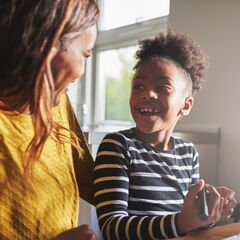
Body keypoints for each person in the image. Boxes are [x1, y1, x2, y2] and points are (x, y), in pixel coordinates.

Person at [93, 29, 237, 239]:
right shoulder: (117, 146)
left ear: (185, 105)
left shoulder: (188, 153)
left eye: (162, 87)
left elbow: (189, 226)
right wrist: (181, 221)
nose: (147, 94)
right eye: (139, 86)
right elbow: (112, 228)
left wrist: (209, 214)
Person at [0, 0, 99, 239]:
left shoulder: (58, 105)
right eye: (84, 54)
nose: (82, 70)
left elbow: (91, 182)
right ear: (47, 46)